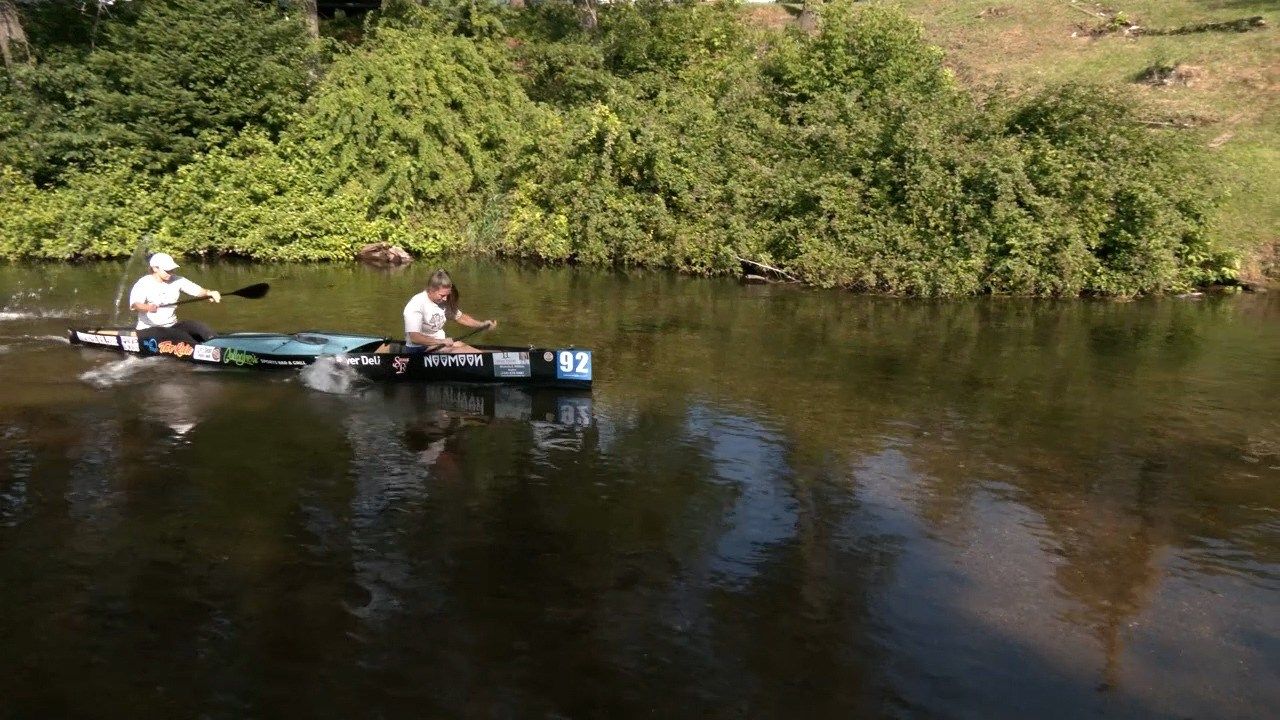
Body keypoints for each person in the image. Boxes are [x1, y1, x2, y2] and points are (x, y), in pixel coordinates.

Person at [128, 252, 221, 344]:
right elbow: (135, 305)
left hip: (172, 326)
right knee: (181, 337)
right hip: (148, 329)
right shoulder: (143, 283)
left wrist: (209, 293)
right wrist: (148, 307)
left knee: (199, 327)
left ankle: (218, 343)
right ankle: (198, 348)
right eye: (167, 270)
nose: (170, 273)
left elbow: (198, 291)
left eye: (172, 270)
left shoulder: (177, 280)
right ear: (155, 268)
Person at [403, 269, 496, 353]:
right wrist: (441, 341)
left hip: (440, 343)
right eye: (442, 295)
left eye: (447, 295)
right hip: (419, 349)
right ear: (431, 290)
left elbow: (460, 317)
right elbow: (415, 337)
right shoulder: (416, 305)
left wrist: (482, 325)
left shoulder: (440, 301)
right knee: (462, 352)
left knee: (467, 348)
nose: (445, 299)